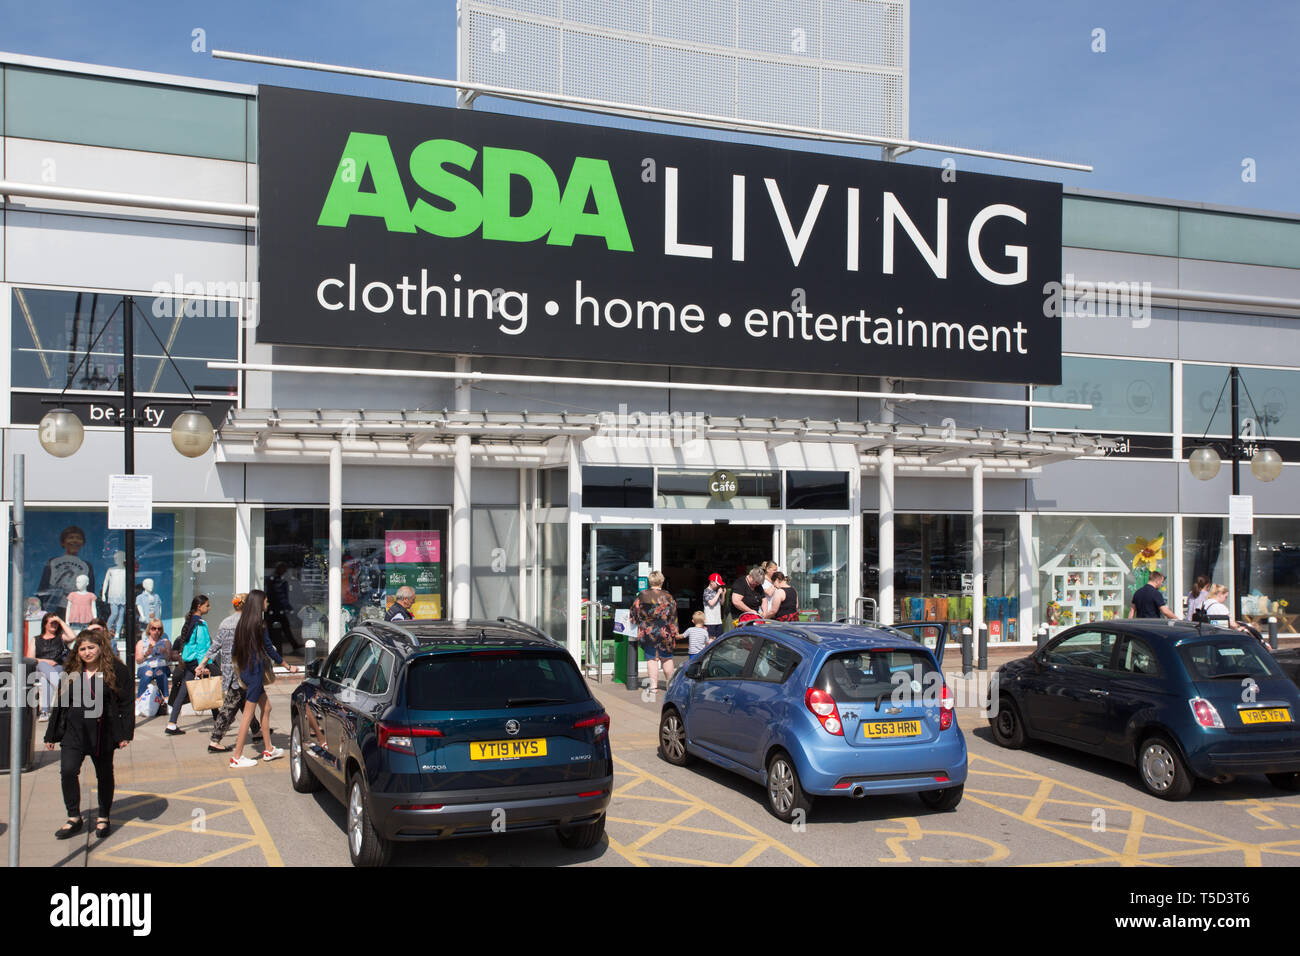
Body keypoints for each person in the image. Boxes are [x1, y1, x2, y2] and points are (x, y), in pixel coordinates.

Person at [45, 627, 133, 840]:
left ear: (101, 648)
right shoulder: (71, 671)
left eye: (91, 647)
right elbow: (60, 703)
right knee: (67, 770)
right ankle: (74, 816)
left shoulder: (117, 671)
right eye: (82, 648)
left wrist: (124, 734)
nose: (86, 652)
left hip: (103, 731)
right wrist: (51, 734)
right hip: (73, 732)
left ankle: (103, 816)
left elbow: (126, 704)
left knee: (104, 774)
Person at [228, 590, 297, 767]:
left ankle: (268, 749)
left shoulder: (243, 622)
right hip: (255, 672)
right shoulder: (259, 624)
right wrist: (287, 666)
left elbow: (234, 650)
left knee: (266, 708)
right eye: (266, 601)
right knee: (248, 716)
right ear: (260, 603)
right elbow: (269, 649)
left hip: (247, 670)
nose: (267, 603)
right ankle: (237, 757)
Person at [197, 593, 266, 754]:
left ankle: (256, 731)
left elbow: (215, 646)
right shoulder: (247, 624)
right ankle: (215, 740)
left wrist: (202, 663)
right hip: (245, 670)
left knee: (243, 702)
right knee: (230, 706)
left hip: (229, 670)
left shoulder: (225, 622)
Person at [165, 595, 212, 735]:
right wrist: (203, 665)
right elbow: (202, 646)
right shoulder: (200, 623)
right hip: (197, 662)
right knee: (214, 686)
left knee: (184, 691)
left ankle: (172, 723)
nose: (209, 608)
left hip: (189, 661)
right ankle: (221, 721)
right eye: (207, 605)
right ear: (199, 606)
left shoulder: (190, 621)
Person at [630, 571, 679, 696]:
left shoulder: (642, 595)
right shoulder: (668, 596)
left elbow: (633, 613)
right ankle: (671, 686)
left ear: (650, 581)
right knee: (667, 659)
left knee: (652, 659)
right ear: (661, 581)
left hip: (648, 631)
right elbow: (673, 615)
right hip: (665, 631)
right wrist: (674, 631)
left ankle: (653, 687)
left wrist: (636, 621)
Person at [37, 525, 94, 614]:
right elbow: (43, 588)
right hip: (55, 607)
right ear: (63, 542)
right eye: (70, 537)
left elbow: (90, 591)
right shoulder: (53, 562)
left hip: (77, 607)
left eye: (78, 538)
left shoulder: (86, 565)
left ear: (83, 543)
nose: (75, 540)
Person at [32, 613, 76, 721]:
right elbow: (30, 658)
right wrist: (46, 661)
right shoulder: (36, 639)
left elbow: (73, 636)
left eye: (56, 623)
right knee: (43, 665)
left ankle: (45, 711)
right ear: (45, 624)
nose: (54, 625)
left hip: (58, 668)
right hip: (41, 667)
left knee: (45, 679)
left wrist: (60, 620)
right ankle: (63, 689)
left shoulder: (61, 638)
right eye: (52, 622)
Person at [134, 617, 172, 712]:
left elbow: (169, 659)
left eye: (159, 629)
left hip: (161, 666)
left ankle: (166, 699)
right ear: (149, 630)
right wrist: (146, 653)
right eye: (154, 628)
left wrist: (164, 652)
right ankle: (138, 700)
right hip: (146, 666)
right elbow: (138, 660)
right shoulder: (141, 642)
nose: (156, 631)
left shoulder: (165, 642)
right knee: (148, 673)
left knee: (160, 672)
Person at [702, 573, 726, 640]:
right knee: (711, 640)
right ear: (711, 582)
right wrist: (718, 593)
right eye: (717, 583)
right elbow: (711, 603)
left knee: (720, 640)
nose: (718, 585)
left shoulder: (716, 591)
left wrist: (723, 594)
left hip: (718, 620)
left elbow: (722, 603)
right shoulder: (706, 591)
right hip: (710, 621)